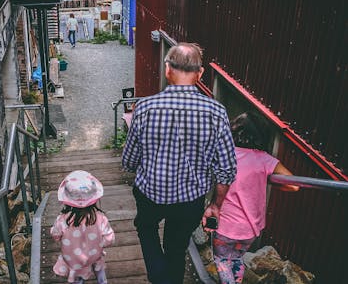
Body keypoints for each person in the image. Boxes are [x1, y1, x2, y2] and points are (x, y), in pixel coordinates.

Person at [122, 42, 237, 284]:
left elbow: (129, 161)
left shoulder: (144, 108)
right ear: (200, 73)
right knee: (176, 247)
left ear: (167, 69)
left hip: (149, 194)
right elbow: (226, 168)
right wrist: (215, 205)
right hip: (190, 201)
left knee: (146, 227)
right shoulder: (217, 112)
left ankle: (157, 276)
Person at [211, 112, 299, 284]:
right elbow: (294, 185)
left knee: (222, 260)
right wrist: (263, 178)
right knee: (236, 259)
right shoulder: (265, 160)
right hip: (250, 230)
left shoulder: (224, 155)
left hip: (226, 227)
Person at [50, 170, 115, 284]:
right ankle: (102, 281)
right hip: (94, 254)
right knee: (99, 268)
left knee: (77, 277)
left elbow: (55, 235)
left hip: (73, 258)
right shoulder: (100, 218)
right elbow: (109, 239)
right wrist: (97, 243)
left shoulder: (62, 220)